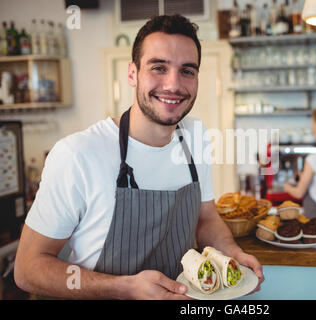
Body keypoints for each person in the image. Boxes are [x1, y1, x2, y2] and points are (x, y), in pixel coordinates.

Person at [14, 15, 264, 300]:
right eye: (158, 67)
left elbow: (206, 219)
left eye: (187, 71)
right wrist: (123, 287)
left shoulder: (195, 135)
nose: (173, 84)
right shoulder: (77, 154)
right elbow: (27, 269)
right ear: (132, 73)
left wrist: (232, 255)